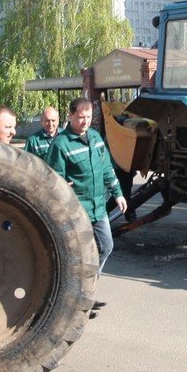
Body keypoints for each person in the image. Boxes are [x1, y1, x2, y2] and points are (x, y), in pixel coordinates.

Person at [45, 97, 127, 281]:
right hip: (76, 210)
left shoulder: (95, 138)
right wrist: (62, 185)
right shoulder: (61, 144)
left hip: (98, 208)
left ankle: (88, 284)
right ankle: (78, 289)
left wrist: (118, 194)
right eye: (81, 117)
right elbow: (52, 180)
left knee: (106, 246)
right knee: (78, 254)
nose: (85, 121)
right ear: (70, 116)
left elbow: (106, 168)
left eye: (88, 117)